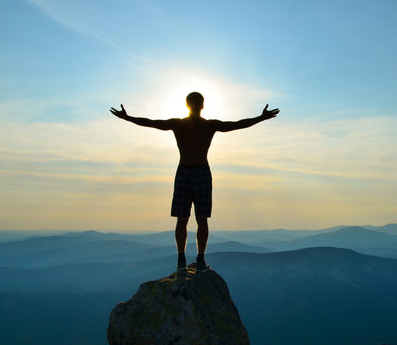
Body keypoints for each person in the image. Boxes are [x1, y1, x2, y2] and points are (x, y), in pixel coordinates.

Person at [110, 92, 279, 272]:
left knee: (181, 219)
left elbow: (151, 122)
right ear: (203, 105)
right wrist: (261, 118)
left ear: (187, 105)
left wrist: (127, 118)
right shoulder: (209, 125)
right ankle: (200, 260)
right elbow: (237, 125)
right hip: (202, 173)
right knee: (202, 219)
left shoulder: (178, 124)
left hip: (183, 172)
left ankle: (181, 261)